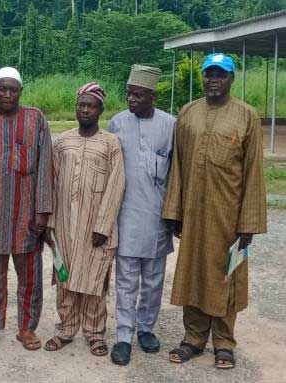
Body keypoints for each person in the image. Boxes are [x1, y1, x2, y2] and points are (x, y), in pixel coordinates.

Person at [162, 53, 267, 370]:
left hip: (229, 217)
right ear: (203, 77)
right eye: (209, 74)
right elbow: (177, 167)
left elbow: (253, 173)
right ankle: (193, 339)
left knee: (226, 276)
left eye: (221, 74)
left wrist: (247, 223)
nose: (214, 79)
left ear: (232, 78)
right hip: (194, 212)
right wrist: (176, 211)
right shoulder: (188, 113)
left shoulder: (247, 116)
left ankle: (224, 342)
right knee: (193, 272)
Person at [0, 67, 53, 352]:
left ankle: (27, 328)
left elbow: (45, 166)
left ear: (21, 91)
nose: (7, 94)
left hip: (27, 212)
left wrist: (43, 211)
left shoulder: (36, 119)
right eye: (2, 88)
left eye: (13, 89)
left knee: (30, 275)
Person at [45, 82, 125, 357]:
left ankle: (94, 332)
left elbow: (117, 185)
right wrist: (50, 224)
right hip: (65, 225)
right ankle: (66, 329)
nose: (86, 110)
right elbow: (52, 184)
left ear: (101, 110)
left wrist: (103, 226)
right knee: (64, 277)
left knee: (94, 280)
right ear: (76, 108)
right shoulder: (63, 141)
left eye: (91, 106)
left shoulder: (110, 143)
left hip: (96, 228)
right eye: (81, 105)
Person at [107, 65, 175, 365]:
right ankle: (123, 335)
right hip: (126, 217)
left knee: (153, 280)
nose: (131, 99)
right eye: (128, 93)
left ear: (153, 95)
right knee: (126, 280)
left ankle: (146, 329)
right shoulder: (117, 124)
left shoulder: (171, 125)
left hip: (158, 217)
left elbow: (177, 175)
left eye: (138, 95)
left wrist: (175, 215)